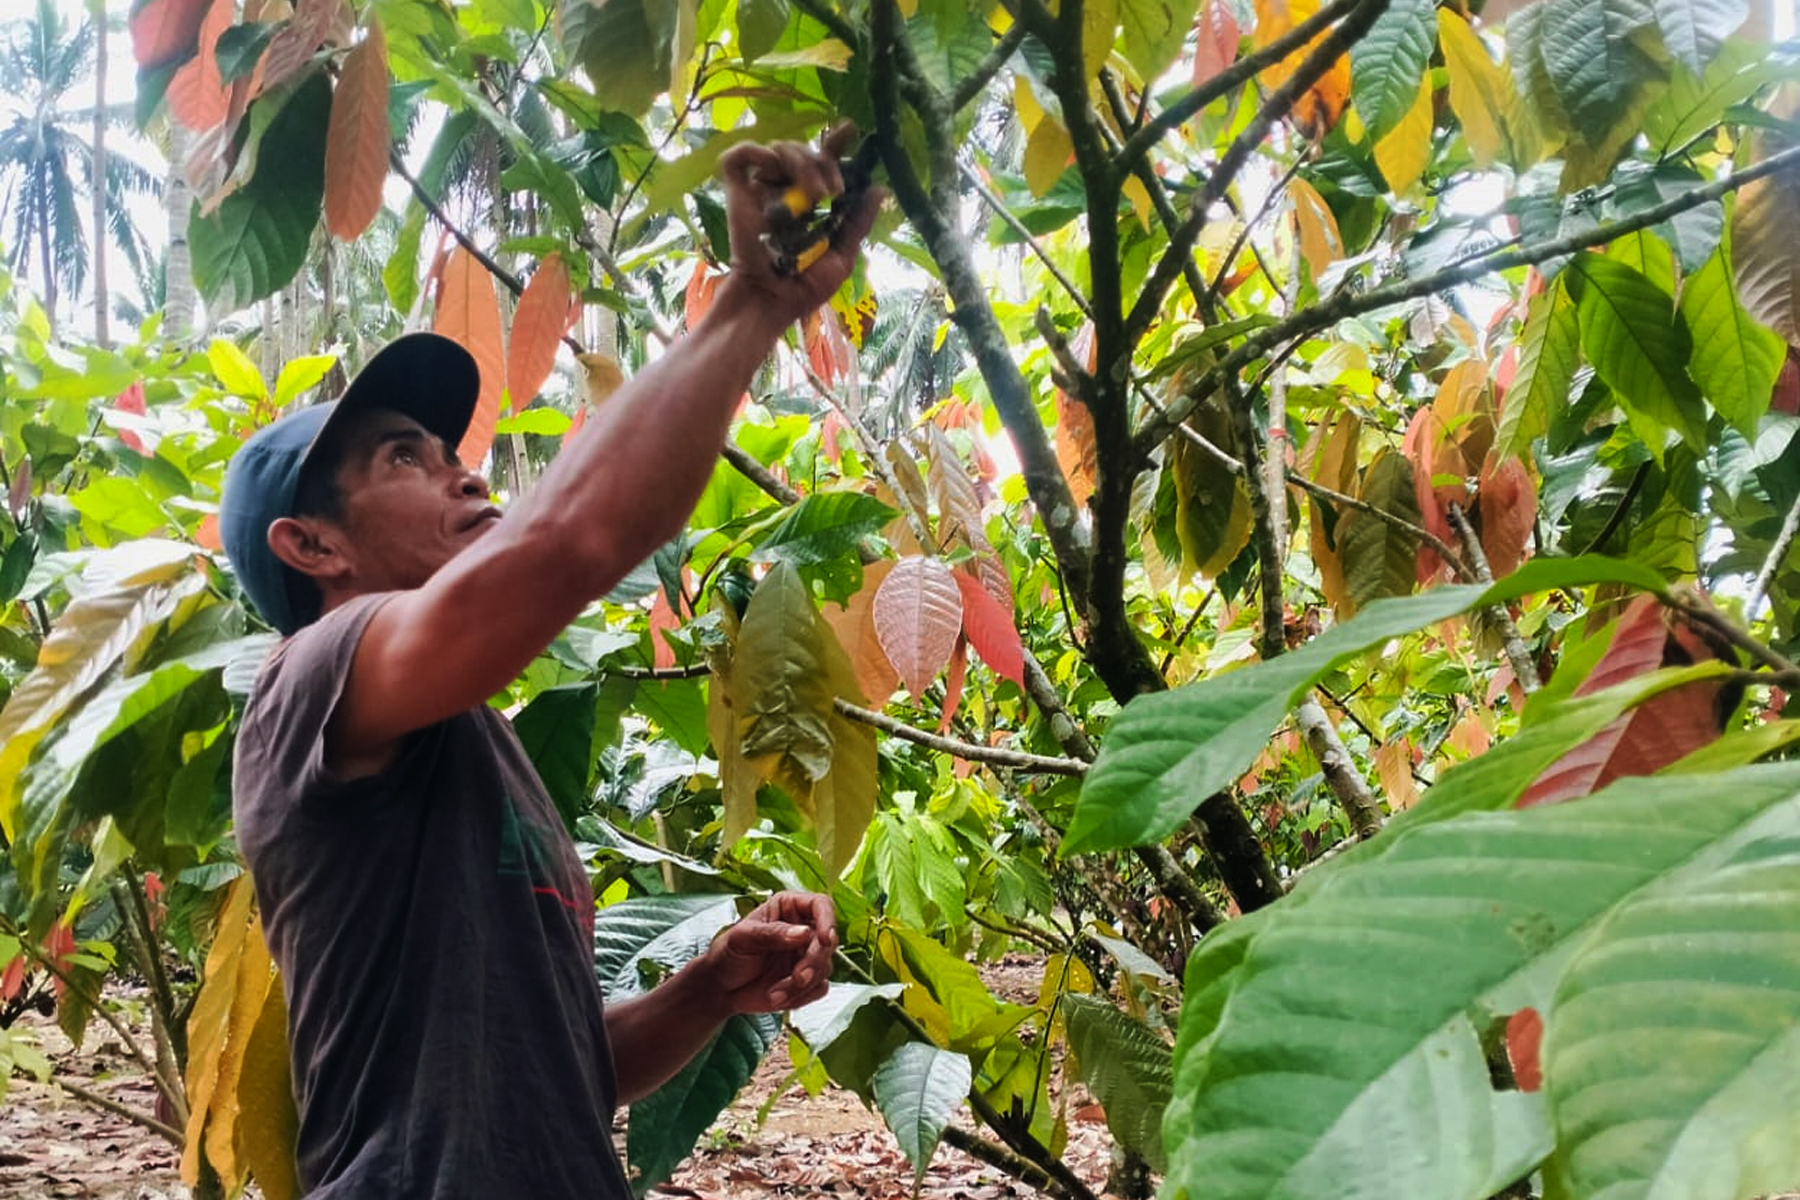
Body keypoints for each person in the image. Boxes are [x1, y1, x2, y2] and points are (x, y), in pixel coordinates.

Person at [216, 129, 882, 1199]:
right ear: (313, 546)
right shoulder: (315, 675)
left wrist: (708, 989)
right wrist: (753, 305)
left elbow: (568, 1072)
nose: (466, 475)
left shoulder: (470, 741)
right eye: (404, 459)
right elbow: (576, 536)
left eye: (452, 451)